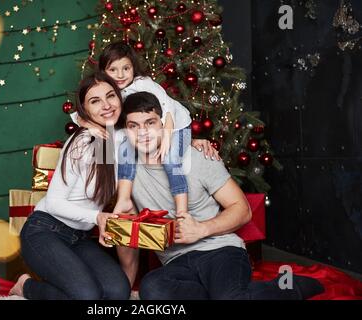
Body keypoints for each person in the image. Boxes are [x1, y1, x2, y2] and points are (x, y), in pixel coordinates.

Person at [116, 91, 325, 300]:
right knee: (152, 289)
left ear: (163, 125)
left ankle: (290, 287)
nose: (142, 132)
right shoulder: (125, 169)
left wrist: (201, 229)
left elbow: (242, 210)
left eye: (150, 123)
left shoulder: (196, 157)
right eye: (134, 126)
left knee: (230, 298)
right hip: (176, 262)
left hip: (220, 251)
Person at [8, 72, 131, 300]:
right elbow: (54, 203)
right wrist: (98, 218)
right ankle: (26, 287)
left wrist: (195, 141)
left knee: (118, 291)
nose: (106, 105)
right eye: (95, 101)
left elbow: (159, 131)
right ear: (86, 110)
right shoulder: (83, 143)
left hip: (79, 237)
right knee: (87, 296)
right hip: (45, 231)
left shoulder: (118, 137)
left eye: (110, 96)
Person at [71, 41, 219, 222]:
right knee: (125, 148)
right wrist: (90, 125)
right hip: (150, 131)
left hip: (176, 126)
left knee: (170, 159)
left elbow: (169, 110)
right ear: (103, 72)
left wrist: (168, 137)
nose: (120, 75)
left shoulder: (144, 85)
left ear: (133, 68)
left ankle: (182, 211)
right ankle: (124, 199)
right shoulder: (112, 93)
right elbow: (78, 114)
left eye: (126, 68)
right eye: (113, 70)